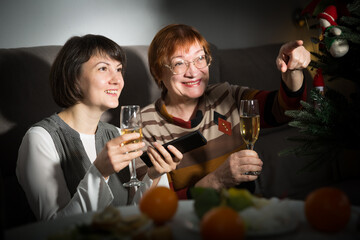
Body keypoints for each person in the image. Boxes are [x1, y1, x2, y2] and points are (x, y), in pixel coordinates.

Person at [16, 34, 181, 221]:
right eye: (103, 68)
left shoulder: (117, 134)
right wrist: (99, 173)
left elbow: (133, 216)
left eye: (119, 70)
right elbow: (55, 227)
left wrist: (153, 176)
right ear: (73, 77)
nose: (118, 80)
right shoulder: (40, 138)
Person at [140, 24, 310, 199]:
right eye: (179, 63)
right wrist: (216, 181)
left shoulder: (227, 95)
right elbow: (152, 202)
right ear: (158, 72)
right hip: (189, 220)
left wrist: (293, 70)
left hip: (245, 209)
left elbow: (286, 109)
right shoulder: (144, 125)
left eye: (200, 58)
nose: (193, 72)